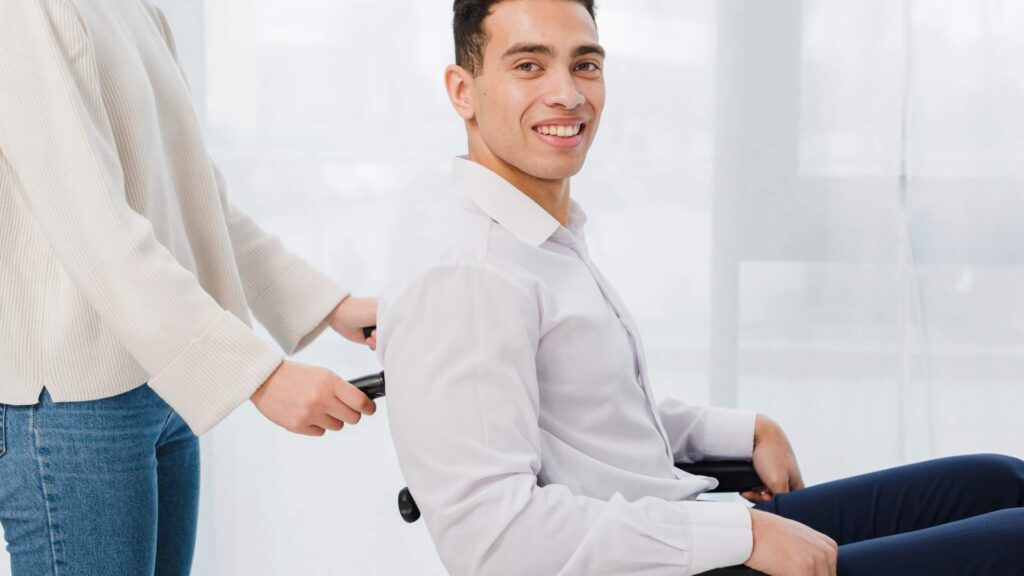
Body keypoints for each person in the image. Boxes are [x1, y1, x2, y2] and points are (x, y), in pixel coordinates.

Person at [377, 1, 1024, 575]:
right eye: (528, 66)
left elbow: (592, 418)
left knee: (996, 483)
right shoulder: (468, 271)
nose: (567, 94)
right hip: (666, 559)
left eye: (585, 64)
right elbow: (493, 541)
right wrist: (739, 531)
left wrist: (743, 431)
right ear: (463, 90)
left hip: (675, 524)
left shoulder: (537, 238)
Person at [0, 1, 379, 574]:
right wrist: (259, 376)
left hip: (159, 382)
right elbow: (95, 228)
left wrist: (327, 305)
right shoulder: (25, 14)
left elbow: (194, 197)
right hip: (72, 405)